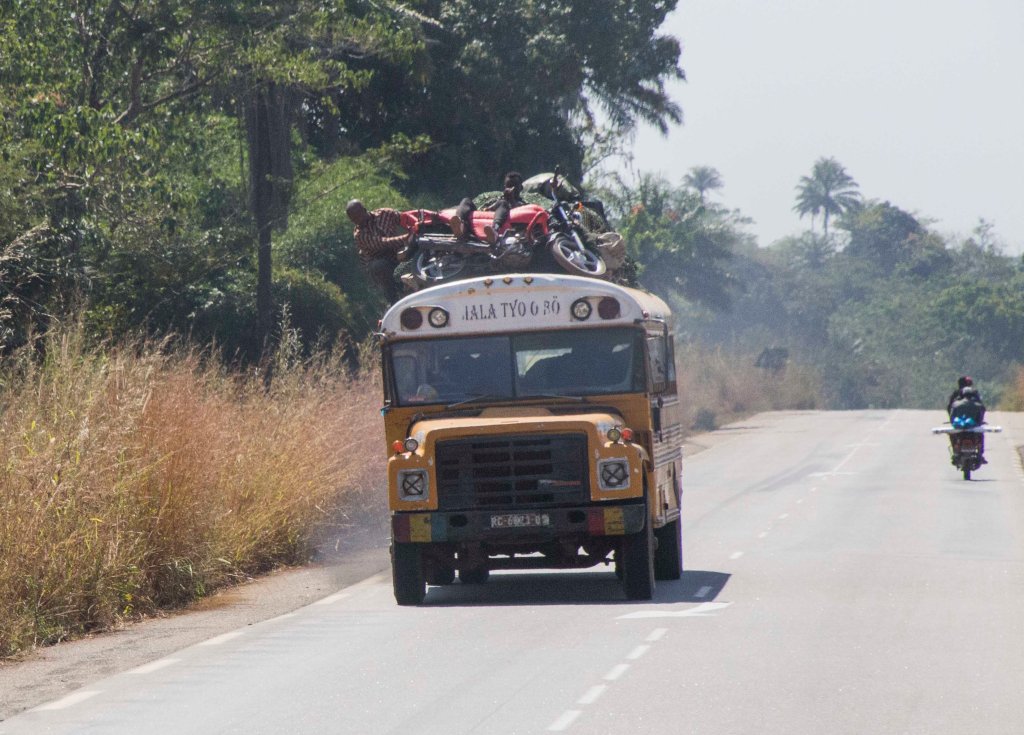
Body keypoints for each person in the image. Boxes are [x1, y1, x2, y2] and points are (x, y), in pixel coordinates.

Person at [346, 199, 410, 302]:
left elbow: (405, 218)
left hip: (399, 252)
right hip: (382, 260)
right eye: (354, 218)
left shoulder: (385, 214)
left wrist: (417, 226)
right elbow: (382, 242)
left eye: (358, 215)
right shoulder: (360, 235)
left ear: (364, 210)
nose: (357, 220)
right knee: (379, 266)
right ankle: (394, 300)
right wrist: (407, 237)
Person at [449, 171, 526, 246]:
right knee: (466, 201)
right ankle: (459, 226)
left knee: (503, 203)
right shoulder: (495, 200)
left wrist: (511, 200)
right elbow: (482, 209)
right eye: (509, 186)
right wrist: (490, 208)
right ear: (505, 187)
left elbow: (520, 216)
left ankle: (494, 232)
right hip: (477, 226)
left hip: (500, 231)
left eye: (514, 186)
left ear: (521, 188)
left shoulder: (523, 205)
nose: (511, 189)